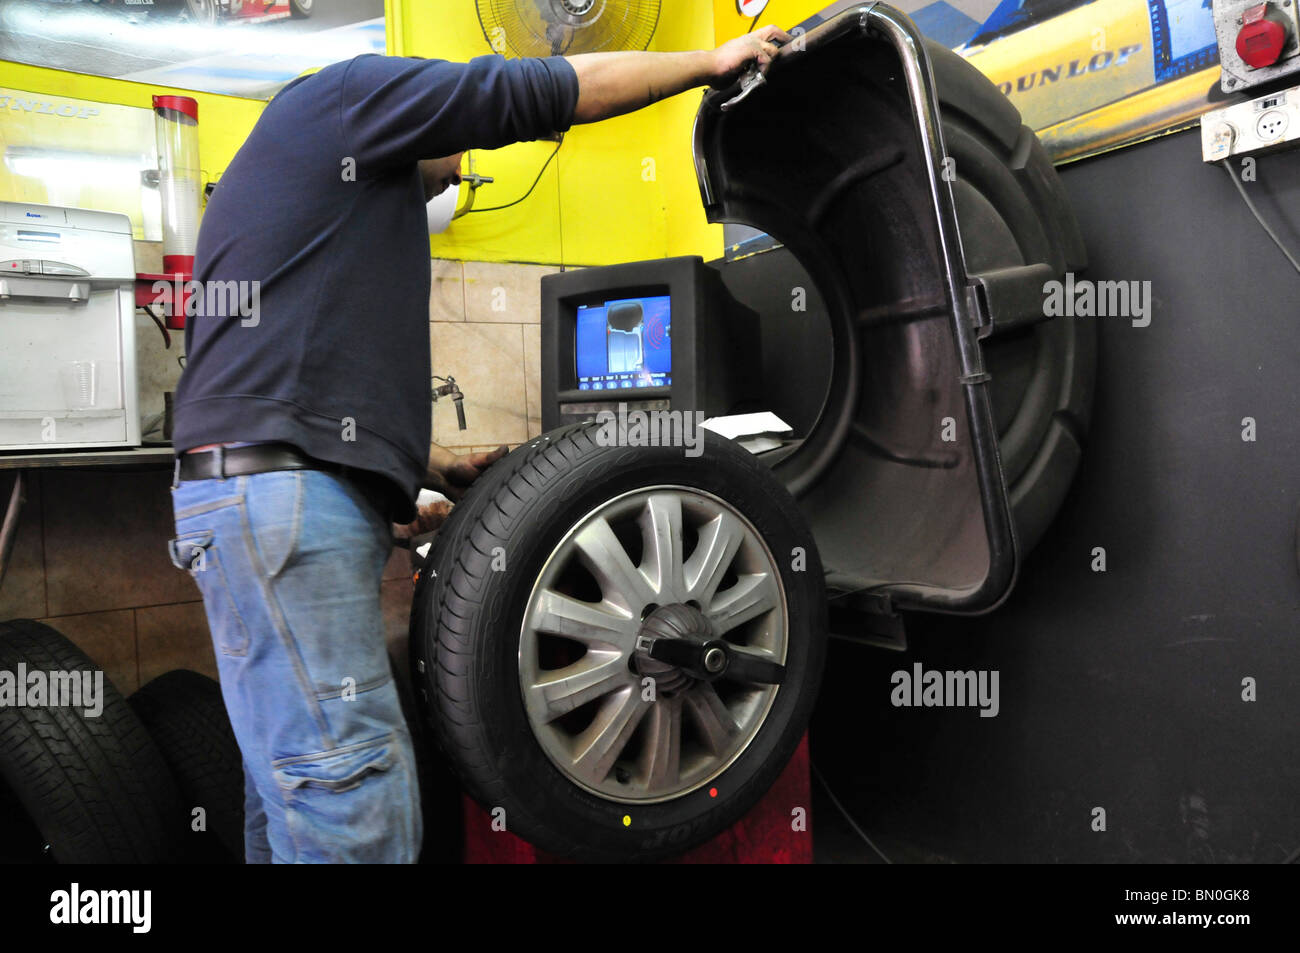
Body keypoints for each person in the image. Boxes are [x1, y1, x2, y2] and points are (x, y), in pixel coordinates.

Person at [167, 25, 790, 864]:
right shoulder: (350, 97)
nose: (462, 165)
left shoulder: (299, 173)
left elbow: (284, 375)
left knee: (293, 785)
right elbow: (540, 89)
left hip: (252, 496)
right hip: (277, 500)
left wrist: (417, 470)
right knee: (353, 805)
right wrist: (706, 63)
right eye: (456, 151)